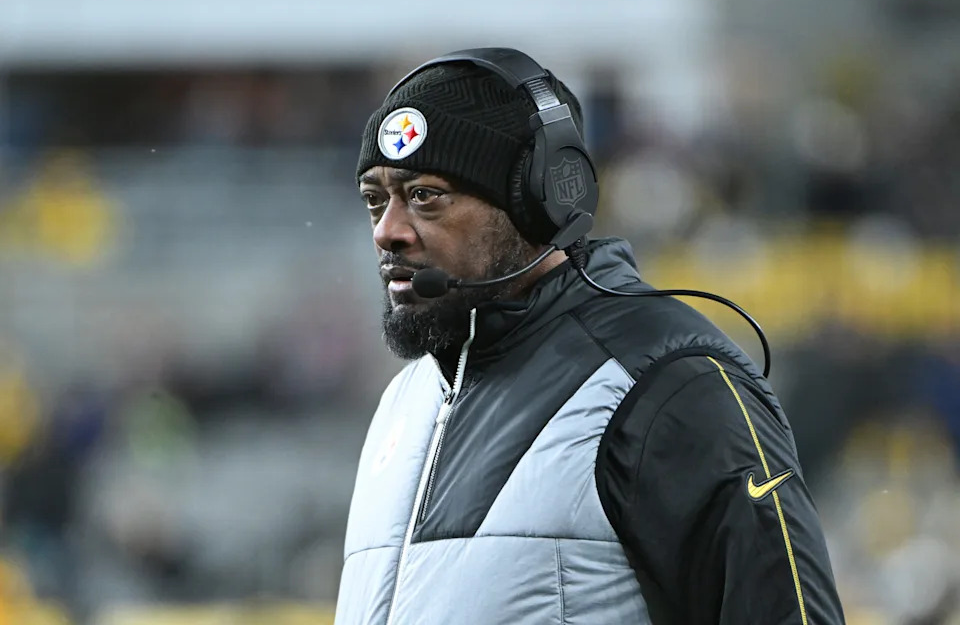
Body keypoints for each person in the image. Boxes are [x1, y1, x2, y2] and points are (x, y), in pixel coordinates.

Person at [336, 48, 845, 624]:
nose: (387, 232)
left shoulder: (669, 386)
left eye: (425, 195)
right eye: (375, 201)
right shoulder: (404, 401)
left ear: (540, 201)